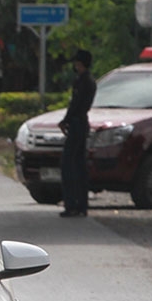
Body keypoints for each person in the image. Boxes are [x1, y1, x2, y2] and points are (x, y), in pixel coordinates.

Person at [59, 49, 97, 217]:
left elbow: (76, 104)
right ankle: (81, 205)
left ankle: (72, 204)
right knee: (79, 165)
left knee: (69, 165)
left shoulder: (83, 82)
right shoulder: (88, 81)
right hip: (81, 123)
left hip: (77, 124)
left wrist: (65, 120)